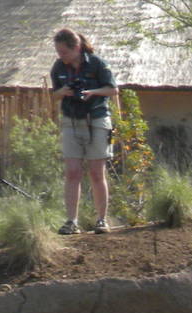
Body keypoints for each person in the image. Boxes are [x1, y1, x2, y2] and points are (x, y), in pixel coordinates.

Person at [49, 28, 118, 234]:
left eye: (64, 52)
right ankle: (71, 221)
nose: (61, 55)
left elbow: (113, 89)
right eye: (58, 52)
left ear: (76, 47)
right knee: (72, 172)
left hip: (96, 120)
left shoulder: (97, 63)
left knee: (96, 173)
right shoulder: (58, 67)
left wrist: (93, 92)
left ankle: (101, 220)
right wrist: (63, 92)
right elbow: (53, 95)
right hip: (71, 121)